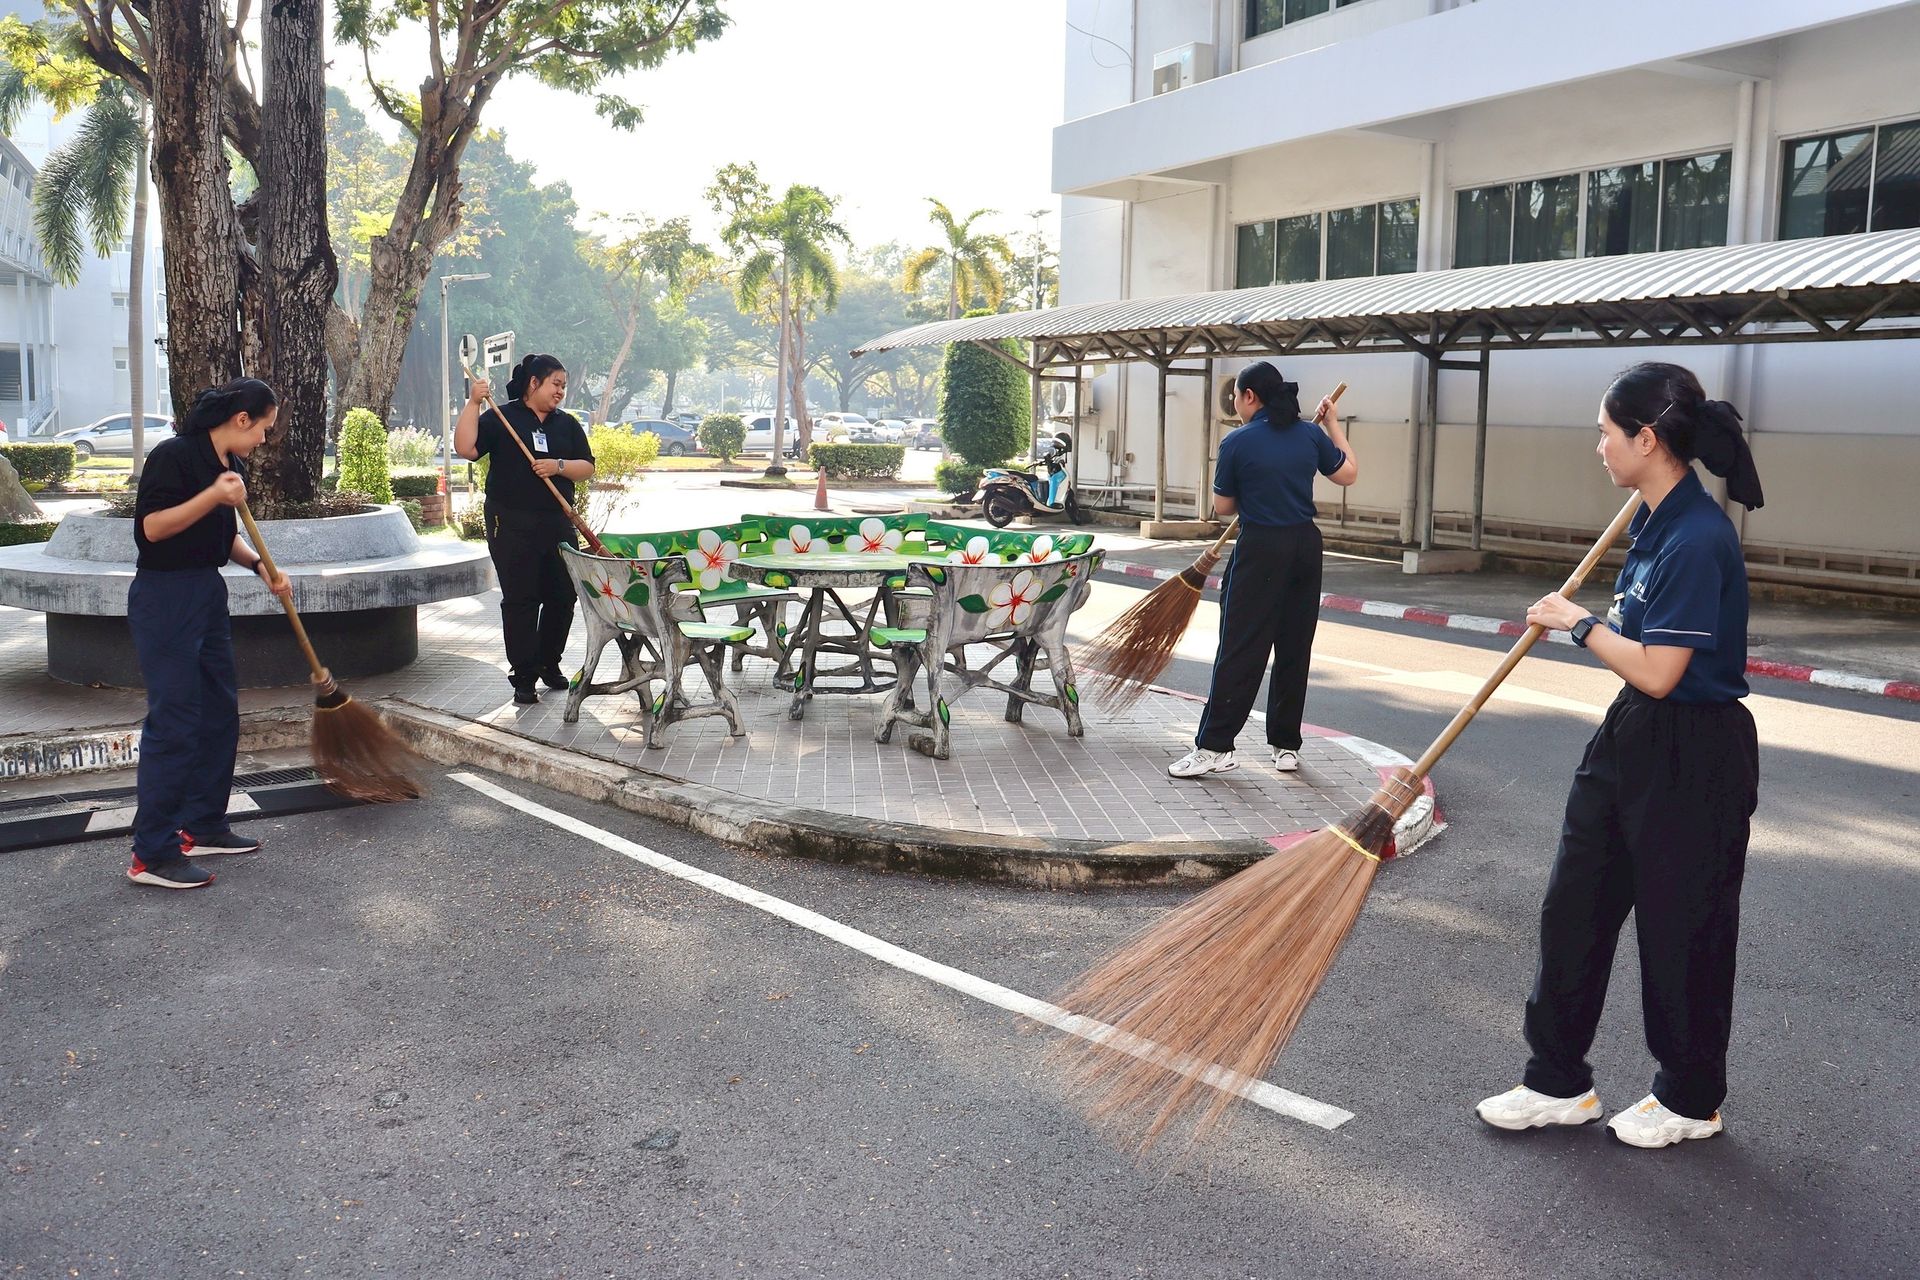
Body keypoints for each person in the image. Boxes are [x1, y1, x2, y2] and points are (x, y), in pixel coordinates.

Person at [1476, 361, 1765, 1149]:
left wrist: (1577, 623)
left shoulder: (1697, 537)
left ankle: (1690, 1099)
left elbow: (1663, 670)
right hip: (1633, 731)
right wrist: (1592, 625)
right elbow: (1644, 672)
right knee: (1574, 906)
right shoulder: (1652, 520)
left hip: (1695, 748)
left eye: (1605, 433)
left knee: (1683, 930)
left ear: (1646, 439)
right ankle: (1557, 1082)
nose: (1597, 446)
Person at [126, 378, 294, 890]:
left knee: (220, 713)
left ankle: (202, 825)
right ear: (241, 419)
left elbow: (225, 536)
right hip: (165, 596)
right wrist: (213, 495)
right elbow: (152, 529)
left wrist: (260, 566)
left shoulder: (231, 464)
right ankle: (152, 854)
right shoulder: (174, 457)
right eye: (263, 427)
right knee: (175, 722)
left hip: (206, 591)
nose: (264, 439)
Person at [1168, 361, 1358, 780]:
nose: (1235, 403)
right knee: (1294, 646)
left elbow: (1223, 507)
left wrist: (1257, 489)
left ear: (1250, 396)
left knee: (1240, 648)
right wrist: (1332, 424)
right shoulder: (1310, 433)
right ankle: (1285, 745)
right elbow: (1348, 473)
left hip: (1261, 548)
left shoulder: (1237, 442)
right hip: (1305, 547)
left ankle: (1215, 747)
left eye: (1236, 396)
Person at [454, 354, 595, 705]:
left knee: (563, 595)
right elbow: (466, 448)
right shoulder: (502, 417)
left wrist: (558, 466)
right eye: (555, 384)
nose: (560, 391)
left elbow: (587, 467)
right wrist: (473, 402)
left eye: (563, 386)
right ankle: (524, 675)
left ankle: (549, 662)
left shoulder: (566, 424)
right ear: (534, 383)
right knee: (522, 598)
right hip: (510, 522)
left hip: (557, 521)